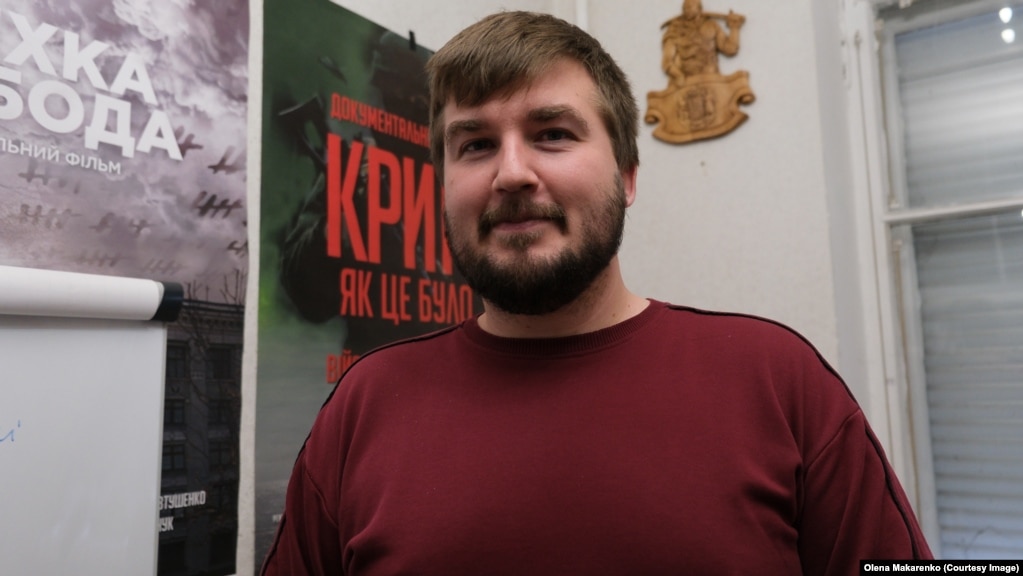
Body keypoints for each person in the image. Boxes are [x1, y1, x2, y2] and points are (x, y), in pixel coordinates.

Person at [260, 10, 932, 575]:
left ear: (628, 176)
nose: (511, 173)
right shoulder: (364, 405)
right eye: (474, 145)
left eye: (552, 134)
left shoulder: (777, 381)